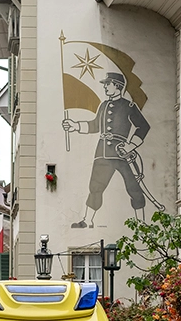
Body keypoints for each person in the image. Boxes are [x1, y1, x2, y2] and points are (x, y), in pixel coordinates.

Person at [61, 72, 158, 228]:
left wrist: (130, 145)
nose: (105, 86)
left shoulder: (129, 106)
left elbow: (143, 126)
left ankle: (141, 223)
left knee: (133, 186)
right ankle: (88, 220)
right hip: (103, 153)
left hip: (122, 153)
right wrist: (75, 126)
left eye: (108, 83)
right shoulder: (104, 105)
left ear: (117, 86)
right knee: (95, 186)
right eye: (105, 84)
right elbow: (95, 126)